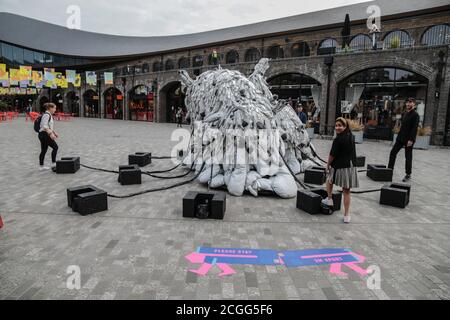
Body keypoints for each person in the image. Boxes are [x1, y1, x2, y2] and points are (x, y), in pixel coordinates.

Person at [323, 117, 359, 224]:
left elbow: (332, 155)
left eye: (340, 125)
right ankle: (346, 215)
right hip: (350, 167)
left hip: (339, 166)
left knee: (329, 180)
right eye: (336, 125)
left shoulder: (338, 140)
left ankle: (329, 199)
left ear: (345, 126)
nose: (337, 128)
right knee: (346, 191)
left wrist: (328, 165)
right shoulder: (351, 137)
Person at [388, 97, 420, 182]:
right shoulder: (405, 113)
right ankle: (389, 170)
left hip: (409, 140)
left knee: (408, 157)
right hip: (401, 138)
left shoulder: (415, 115)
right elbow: (402, 126)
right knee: (393, 152)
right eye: (407, 102)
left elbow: (414, 128)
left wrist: (411, 140)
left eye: (410, 102)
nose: (408, 104)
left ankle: (408, 174)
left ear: (414, 104)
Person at [38, 103, 59, 171]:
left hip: (43, 134)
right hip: (45, 134)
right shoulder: (47, 115)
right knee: (55, 147)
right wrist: (50, 134)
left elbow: (49, 126)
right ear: (50, 108)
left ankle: (41, 166)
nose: (55, 110)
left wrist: (54, 132)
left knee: (44, 150)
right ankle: (53, 164)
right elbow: (44, 126)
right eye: (54, 108)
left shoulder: (48, 115)